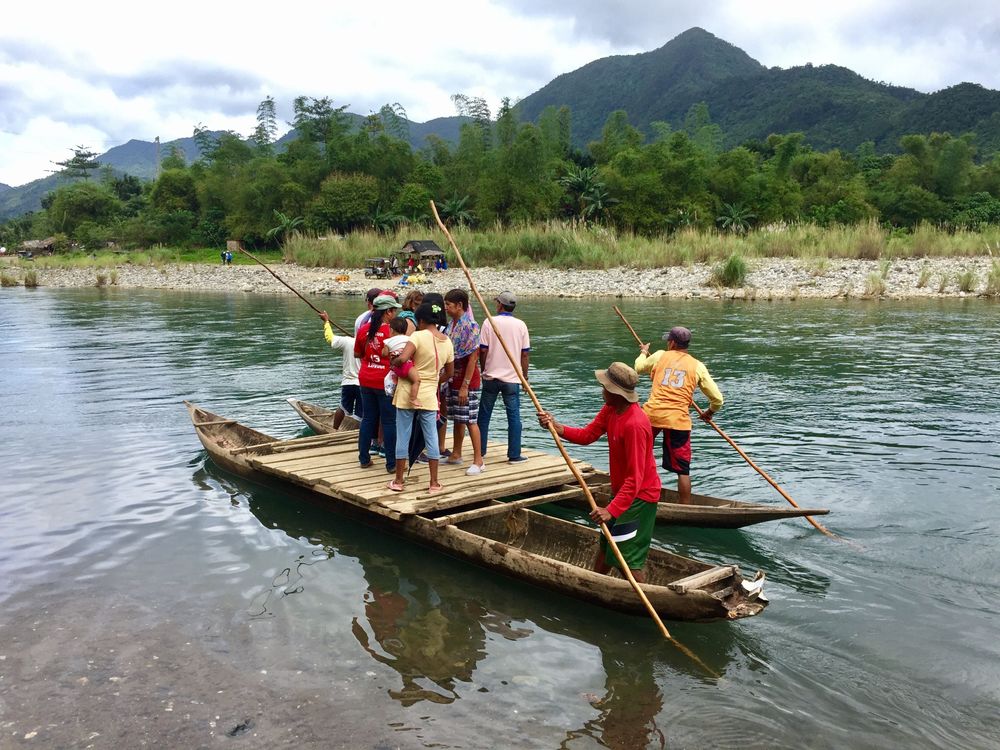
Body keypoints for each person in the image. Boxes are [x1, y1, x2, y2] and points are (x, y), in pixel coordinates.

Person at [538, 362, 661, 583]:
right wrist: (556, 427)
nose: (602, 390)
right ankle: (593, 583)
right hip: (623, 492)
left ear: (616, 392)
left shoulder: (635, 424)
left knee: (625, 554)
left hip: (639, 497)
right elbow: (588, 434)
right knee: (607, 542)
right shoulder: (611, 409)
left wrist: (611, 510)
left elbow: (636, 477)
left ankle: (646, 600)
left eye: (605, 387)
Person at [634, 326, 724, 504]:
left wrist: (644, 352)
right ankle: (686, 506)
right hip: (678, 420)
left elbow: (638, 368)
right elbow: (718, 399)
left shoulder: (660, 356)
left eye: (669, 340)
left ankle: (638, 494)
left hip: (652, 415)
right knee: (683, 470)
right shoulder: (698, 366)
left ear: (673, 343)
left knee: (639, 456)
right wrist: (709, 412)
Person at [388, 302, 455, 494]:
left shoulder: (417, 336)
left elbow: (403, 358)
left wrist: (394, 362)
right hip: (429, 394)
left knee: (403, 435)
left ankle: (399, 481)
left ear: (421, 320)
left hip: (407, 392)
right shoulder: (447, 341)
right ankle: (434, 483)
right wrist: (434, 381)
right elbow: (449, 372)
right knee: (431, 437)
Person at [477, 291, 530, 463]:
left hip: (491, 377)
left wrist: (484, 369)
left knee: (484, 416)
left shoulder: (489, 322)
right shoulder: (521, 325)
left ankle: (481, 451)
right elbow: (524, 355)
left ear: (500, 305)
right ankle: (514, 454)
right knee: (514, 417)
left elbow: (483, 350)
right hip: (512, 379)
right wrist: (525, 377)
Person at [354, 293, 403, 472]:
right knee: (389, 421)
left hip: (365, 378)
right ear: (388, 312)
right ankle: (391, 464)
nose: (395, 314)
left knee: (368, 418)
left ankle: (364, 458)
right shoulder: (391, 333)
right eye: (394, 311)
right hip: (385, 382)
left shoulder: (363, 329)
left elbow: (357, 354)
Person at [443, 288, 485, 475]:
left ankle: (479, 460)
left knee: (470, 419)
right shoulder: (452, 325)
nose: (446, 308)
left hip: (467, 380)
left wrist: (465, 385)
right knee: (458, 419)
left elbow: (473, 358)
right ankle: (456, 453)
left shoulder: (471, 326)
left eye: (448, 305)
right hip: (454, 376)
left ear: (459, 306)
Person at [318, 310, 363, 429]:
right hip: (362, 384)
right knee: (360, 413)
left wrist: (326, 322)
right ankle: (357, 432)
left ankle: (334, 429)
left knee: (343, 407)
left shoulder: (347, 341)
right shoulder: (368, 343)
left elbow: (330, 338)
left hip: (348, 382)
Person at [382, 316, 421, 407]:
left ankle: (392, 394)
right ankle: (413, 398)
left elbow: (384, 354)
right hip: (406, 366)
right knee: (416, 381)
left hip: (396, 368)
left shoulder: (388, 341)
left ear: (391, 330)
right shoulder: (409, 339)